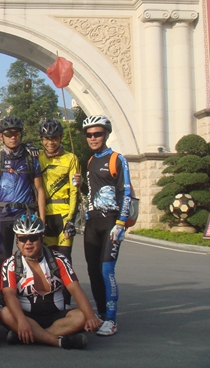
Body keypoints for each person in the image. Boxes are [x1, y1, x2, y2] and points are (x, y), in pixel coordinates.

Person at [0, 215, 100, 350]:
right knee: (5, 313)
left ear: (42, 237)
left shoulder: (59, 260)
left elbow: (75, 289)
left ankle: (29, 336)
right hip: (27, 316)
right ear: (17, 240)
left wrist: (90, 317)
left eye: (33, 238)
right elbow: (9, 295)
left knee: (82, 316)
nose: (28, 243)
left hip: (56, 316)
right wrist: (22, 321)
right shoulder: (10, 264)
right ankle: (58, 341)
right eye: (22, 239)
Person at [82, 115, 133, 336]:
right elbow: (91, 193)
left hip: (111, 222)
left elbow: (125, 192)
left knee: (106, 271)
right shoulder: (90, 161)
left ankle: (111, 320)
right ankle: (102, 314)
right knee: (93, 271)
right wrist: (80, 184)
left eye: (98, 134)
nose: (93, 138)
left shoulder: (117, 159)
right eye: (89, 135)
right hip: (92, 223)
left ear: (106, 134)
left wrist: (121, 223)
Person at [0, 116, 46, 275]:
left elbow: (40, 190)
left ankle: (29, 289)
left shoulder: (31, 160)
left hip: (26, 215)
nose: (13, 137)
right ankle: (5, 291)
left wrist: (42, 220)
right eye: (8, 134)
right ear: (1, 136)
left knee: (30, 258)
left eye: (16, 133)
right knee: (3, 259)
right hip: (3, 215)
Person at [38, 118, 81, 262]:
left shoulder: (71, 158)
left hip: (64, 214)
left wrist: (71, 220)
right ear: (41, 139)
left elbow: (75, 191)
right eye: (46, 139)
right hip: (44, 215)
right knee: (47, 260)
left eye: (54, 138)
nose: (50, 143)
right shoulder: (37, 157)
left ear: (61, 137)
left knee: (64, 259)